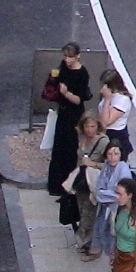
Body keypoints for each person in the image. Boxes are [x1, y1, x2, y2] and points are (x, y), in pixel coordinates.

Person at [46, 42, 91, 195]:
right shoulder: (63, 67)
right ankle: (55, 185)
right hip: (63, 111)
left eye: (70, 57)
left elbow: (79, 100)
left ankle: (67, 185)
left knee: (70, 150)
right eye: (65, 56)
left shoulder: (82, 74)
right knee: (58, 148)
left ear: (77, 56)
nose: (67, 60)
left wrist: (65, 93)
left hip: (74, 114)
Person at [68, 112, 108, 255]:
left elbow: (110, 164)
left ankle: (90, 243)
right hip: (81, 179)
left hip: (93, 181)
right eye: (87, 126)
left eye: (93, 126)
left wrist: (93, 164)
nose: (90, 129)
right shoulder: (82, 136)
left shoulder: (103, 141)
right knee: (81, 209)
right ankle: (85, 239)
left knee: (90, 212)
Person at [86, 140, 132, 262]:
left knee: (113, 233)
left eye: (116, 154)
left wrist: (104, 194)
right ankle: (97, 250)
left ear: (121, 154)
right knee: (100, 227)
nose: (112, 157)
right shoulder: (106, 166)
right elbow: (99, 187)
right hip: (105, 205)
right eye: (110, 154)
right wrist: (103, 194)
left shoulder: (123, 170)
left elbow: (121, 193)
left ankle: (113, 257)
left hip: (116, 208)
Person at [97, 68, 134, 162]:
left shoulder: (122, 100)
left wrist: (107, 100)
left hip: (116, 135)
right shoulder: (109, 96)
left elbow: (106, 122)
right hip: (105, 134)